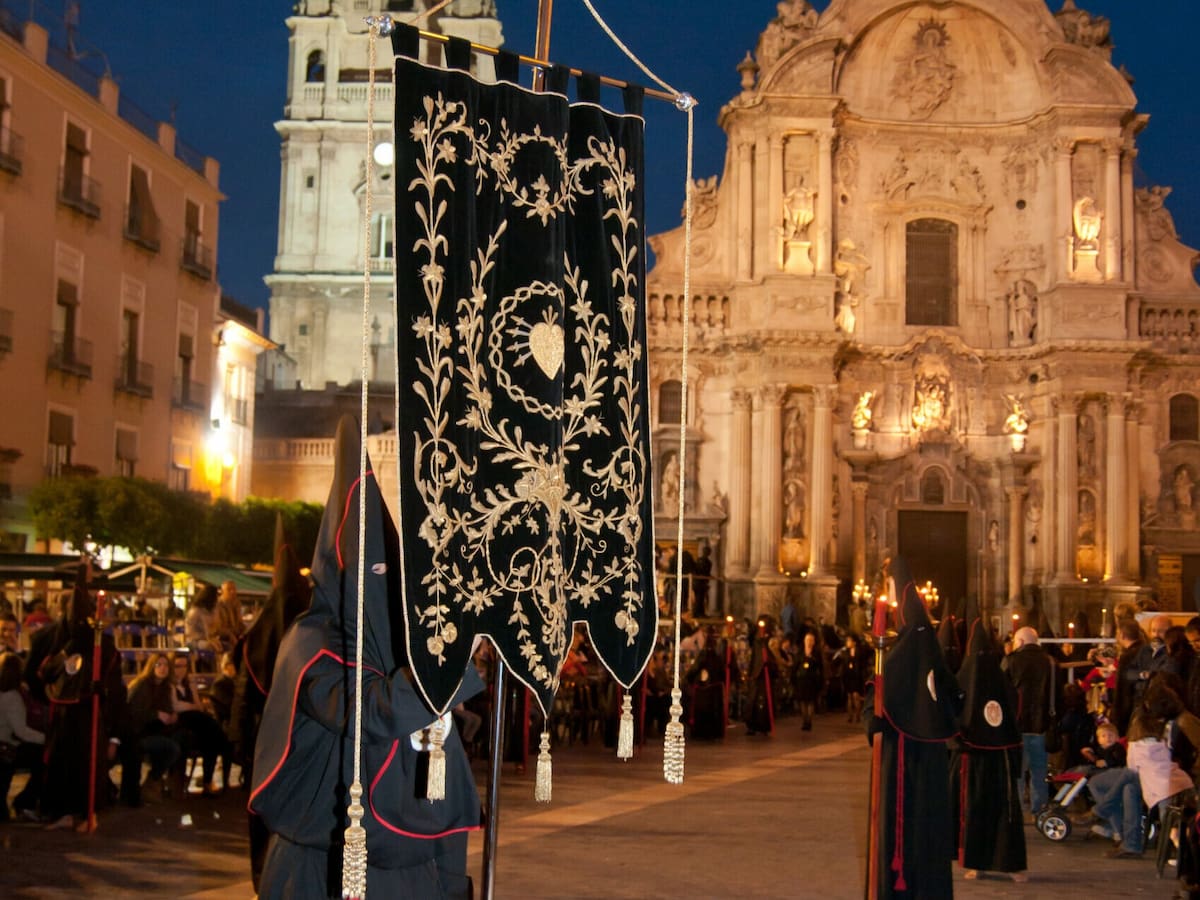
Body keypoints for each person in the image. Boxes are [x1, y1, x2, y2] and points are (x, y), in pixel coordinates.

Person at [250, 418, 482, 899]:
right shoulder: (309, 643)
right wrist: (455, 659)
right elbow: (370, 710)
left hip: (415, 869)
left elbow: (443, 779)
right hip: (322, 865)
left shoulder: (401, 646)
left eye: (387, 571)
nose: (381, 584)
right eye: (371, 571)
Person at [864, 557, 962, 898]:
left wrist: (875, 722)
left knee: (906, 828)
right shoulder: (927, 655)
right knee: (923, 829)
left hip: (905, 762)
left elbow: (876, 710)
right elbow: (956, 698)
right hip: (922, 762)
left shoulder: (895, 659)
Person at [32, 572, 128, 831]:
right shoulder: (61, 641)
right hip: (63, 717)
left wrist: (101, 692)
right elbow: (46, 672)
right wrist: (64, 654)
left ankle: (87, 815)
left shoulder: (104, 646)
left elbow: (116, 690)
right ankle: (63, 812)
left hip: (87, 717)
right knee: (61, 765)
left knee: (86, 767)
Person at [950, 604, 1027, 882]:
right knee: (1001, 812)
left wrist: (959, 740)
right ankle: (995, 864)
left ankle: (991, 864)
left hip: (981, 757)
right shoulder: (998, 678)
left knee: (982, 811)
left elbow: (952, 714)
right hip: (994, 757)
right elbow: (1016, 711)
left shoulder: (965, 678)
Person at [1003, 625, 1054, 819]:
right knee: (1039, 770)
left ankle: (1016, 809)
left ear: (1021, 642)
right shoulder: (1049, 662)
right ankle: (1039, 809)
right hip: (1042, 726)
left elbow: (1002, 690)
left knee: (1018, 771)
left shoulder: (1011, 661)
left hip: (1017, 725)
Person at [171, 653, 233, 795]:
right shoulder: (170, 685)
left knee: (210, 738)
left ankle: (207, 781)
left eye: (184, 666)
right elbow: (175, 706)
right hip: (181, 721)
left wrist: (191, 698)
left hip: (195, 720)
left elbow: (198, 705)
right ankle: (206, 781)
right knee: (211, 727)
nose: (181, 669)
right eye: (177, 666)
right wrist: (191, 706)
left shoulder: (189, 683)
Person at [125, 652, 183, 800]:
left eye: (165, 665)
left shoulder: (165, 688)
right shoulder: (142, 685)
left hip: (156, 730)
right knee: (172, 748)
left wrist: (171, 715)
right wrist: (156, 715)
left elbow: (167, 709)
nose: (163, 668)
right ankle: (153, 781)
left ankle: (158, 784)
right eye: (159, 665)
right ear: (152, 667)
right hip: (137, 734)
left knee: (180, 740)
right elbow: (134, 712)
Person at [0, 651, 44, 822]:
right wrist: (45, 739)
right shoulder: (12, 697)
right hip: (5, 749)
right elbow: (21, 731)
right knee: (41, 763)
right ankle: (25, 802)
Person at [745, 620, 778, 736]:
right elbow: (754, 658)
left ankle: (764, 725)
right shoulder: (756, 643)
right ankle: (751, 725)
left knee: (764, 702)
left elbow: (774, 658)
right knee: (752, 701)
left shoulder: (770, 643)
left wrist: (768, 663)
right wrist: (750, 674)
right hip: (756, 676)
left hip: (765, 677)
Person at [794, 630, 823, 731]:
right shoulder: (800, 652)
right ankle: (804, 720)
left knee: (810, 701)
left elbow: (821, 667)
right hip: (801, 680)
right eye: (807, 640)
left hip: (812, 680)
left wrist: (821, 681)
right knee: (802, 702)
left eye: (811, 640)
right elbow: (795, 666)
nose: (809, 642)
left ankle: (809, 721)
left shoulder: (816, 653)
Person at [838, 634, 867, 724]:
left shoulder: (859, 652)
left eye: (849, 641)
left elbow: (862, 663)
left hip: (856, 676)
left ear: (854, 642)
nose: (848, 643)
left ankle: (858, 715)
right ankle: (850, 716)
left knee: (856, 696)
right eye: (847, 641)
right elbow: (842, 663)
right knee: (849, 697)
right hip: (848, 676)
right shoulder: (845, 652)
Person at [211, 580, 245, 655]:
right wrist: (230, 635)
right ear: (222, 591)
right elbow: (218, 628)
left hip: (235, 635)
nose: (232, 592)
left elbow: (240, 623)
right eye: (229, 589)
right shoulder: (217, 606)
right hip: (221, 637)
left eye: (234, 589)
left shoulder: (237, 604)